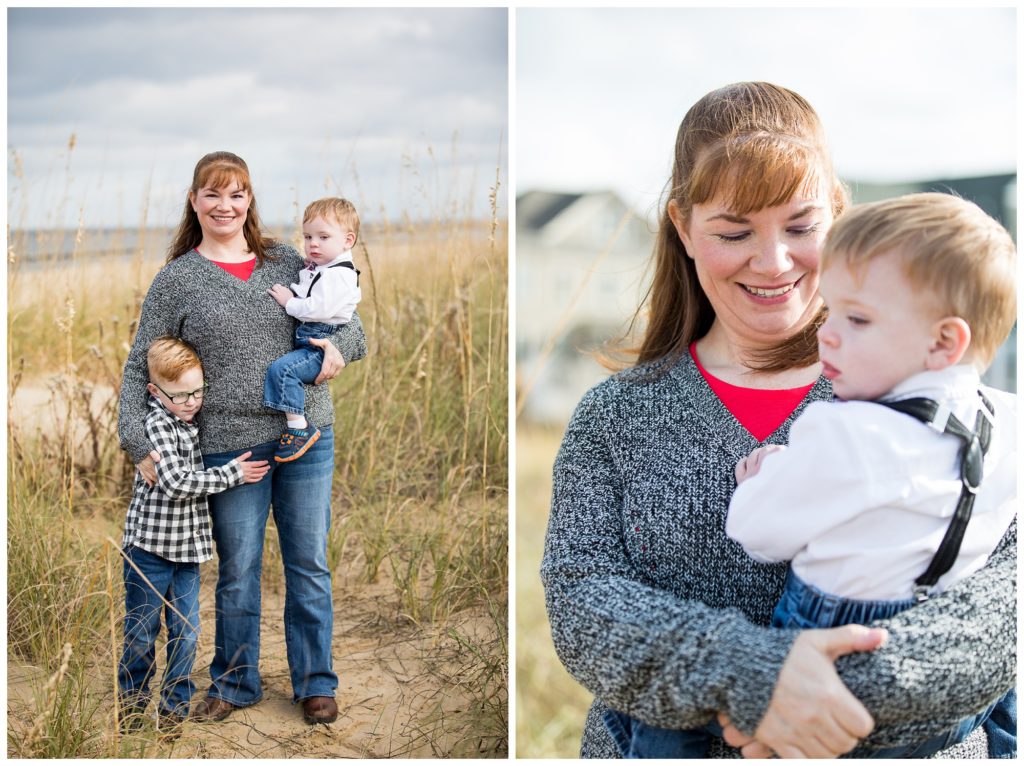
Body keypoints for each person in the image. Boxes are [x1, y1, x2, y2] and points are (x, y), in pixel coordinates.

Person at [541, 82, 1016, 759]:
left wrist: (823, 698)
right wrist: (753, 677)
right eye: (735, 232)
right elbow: (583, 602)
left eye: (802, 227)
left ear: (841, 216)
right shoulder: (615, 418)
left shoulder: (942, 398)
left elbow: (1008, 604)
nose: (774, 263)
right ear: (683, 227)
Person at [118, 151, 367, 727]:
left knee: (308, 562)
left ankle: (315, 683)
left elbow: (351, 327)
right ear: (195, 200)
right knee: (239, 566)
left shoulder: (290, 259)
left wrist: (338, 351)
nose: (225, 206)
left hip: (306, 438)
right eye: (213, 194)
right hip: (228, 445)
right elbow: (138, 368)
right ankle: (234, 681)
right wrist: (140, 443)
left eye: (236, 195)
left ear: (249, 200)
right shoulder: (178, 278)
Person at [118, 337, 269, 737]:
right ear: (155, 391)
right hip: (148, 551)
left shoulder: (189, 421)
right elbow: (176, 482)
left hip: (186, 552)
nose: (191, 402)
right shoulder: (156, 425)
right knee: (141, 631)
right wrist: (231, 474)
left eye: (198, 392)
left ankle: (172, 711)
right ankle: (132, 711)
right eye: (181, 395)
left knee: (185, 632)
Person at [265, 197, 362, 463]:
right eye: (308, 237)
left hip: (320, 339)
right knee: (286, 369)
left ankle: (298, 427)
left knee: (283, 371)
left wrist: (289, 302)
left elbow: (317, 309)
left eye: (323, 236)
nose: (313, 244)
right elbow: (312, 291)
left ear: (348, 240)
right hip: (313, 336)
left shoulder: (338, 274)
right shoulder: (323, 268)